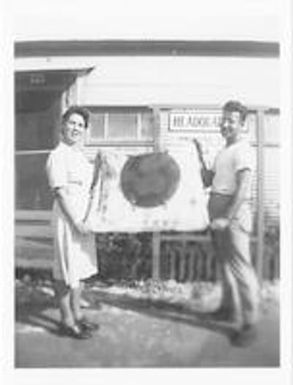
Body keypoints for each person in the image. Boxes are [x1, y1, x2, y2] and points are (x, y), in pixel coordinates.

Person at [194, 100, 259, 347]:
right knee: (225, 265)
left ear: (242, 124)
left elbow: (243, 188)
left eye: (231, 120)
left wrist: (226, 218)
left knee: (241, 268)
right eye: (223, 119)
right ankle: (229, 309)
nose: (225, 124)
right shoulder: (224, 151)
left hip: (233, 214)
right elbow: (207, 179)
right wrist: (199, 155)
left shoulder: (243, 150)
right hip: (218, 213)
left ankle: (250, 324)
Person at [46, 106, 101, 339]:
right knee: (64, 272)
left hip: (83, 222)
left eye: (80, 125)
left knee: (79, 270)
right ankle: (66, 321)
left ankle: (78, 315)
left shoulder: (79, 157)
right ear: (63, 126)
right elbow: (60, 193)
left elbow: (91, 188)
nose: (76, 128)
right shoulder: (57, 155)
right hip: (68, 221)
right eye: (72, 123)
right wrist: (76, 221)